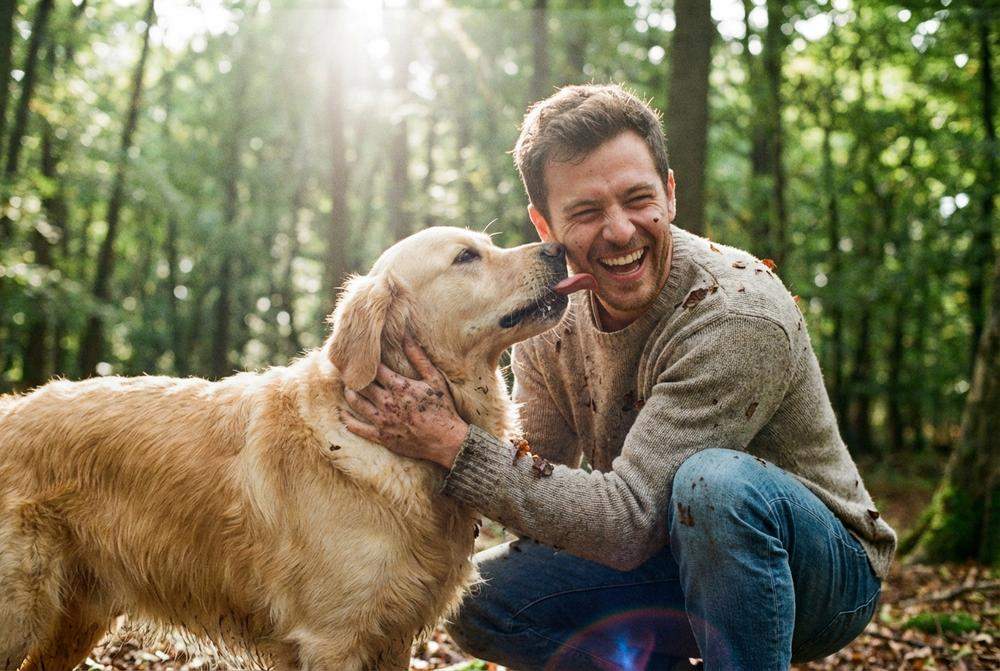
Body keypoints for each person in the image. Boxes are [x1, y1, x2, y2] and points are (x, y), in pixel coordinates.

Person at [341, 84, 896, 671]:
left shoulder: (736, 314)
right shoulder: (546, 314)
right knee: (480, 599)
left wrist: (450, 442)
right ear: (545, 224)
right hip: (663, 555)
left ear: (670, 193)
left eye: (638, 199)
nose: (621, 231)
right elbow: (531, 481)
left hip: (819, 573)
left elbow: (627, 522)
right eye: (585, 212)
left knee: (715, 485)